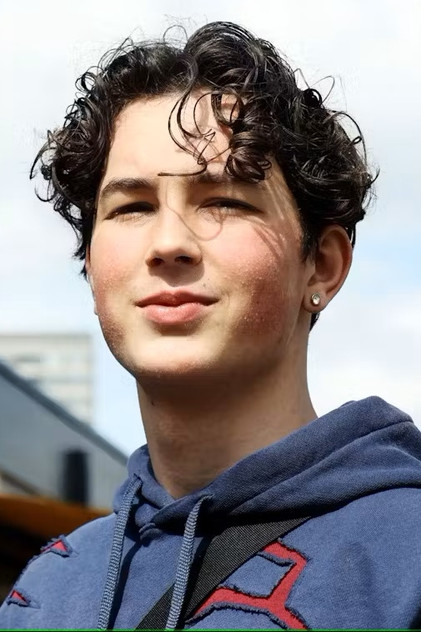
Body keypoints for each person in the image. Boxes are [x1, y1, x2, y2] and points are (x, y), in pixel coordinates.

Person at [1, 20, 421, 631]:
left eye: (224, 200)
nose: (168, 243)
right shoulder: (42, 592)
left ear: (322, 266)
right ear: (91, 268)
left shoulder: (406, 557)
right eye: (132, 207)